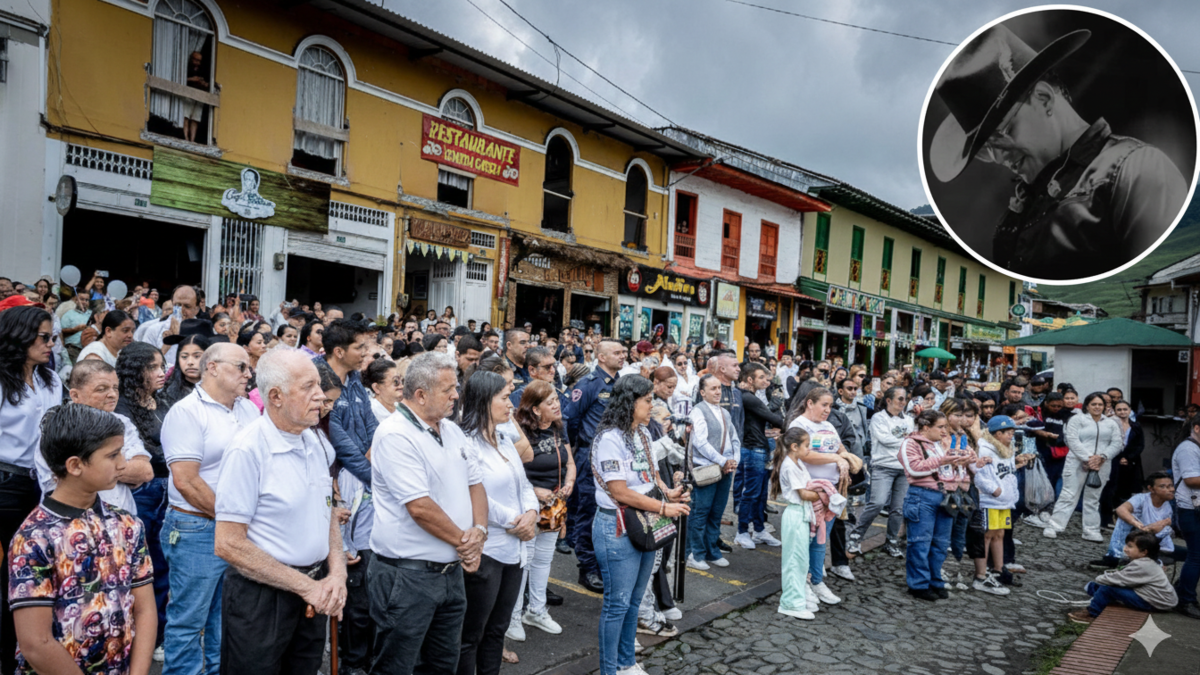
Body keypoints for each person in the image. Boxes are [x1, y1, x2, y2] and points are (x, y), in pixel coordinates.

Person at [929, 24, 1188, 279]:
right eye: (985, 150)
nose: (999, 157)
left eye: (1004, 132)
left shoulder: (1137, 170)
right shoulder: (1019, 209)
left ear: (1044, 98)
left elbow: (1148, 276)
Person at [214, 349, 347, 674]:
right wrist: (306, 587)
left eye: (319, 385)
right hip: (263, 598)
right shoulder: (248, 449)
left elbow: (327, 509)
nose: (320, 396)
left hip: (313, 590)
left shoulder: (315, 441)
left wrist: (338, 572)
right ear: (275, 396)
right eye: (308, 387)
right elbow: (228, 543)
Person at [10, 403, 157, 675]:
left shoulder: (127, 525)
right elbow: (36, 643)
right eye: (112, 455)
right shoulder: (34, 538)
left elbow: (145, 611)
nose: (123, 463)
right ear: (75, 465)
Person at [367, 352, 488, 674]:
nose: (456, 395)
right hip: (407, 575)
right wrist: (467, 543)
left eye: (455, 386)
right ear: (420, 395)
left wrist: (480, 530)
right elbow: (419, 507)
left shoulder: (451, 430)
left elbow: (476, 484)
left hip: (449, 572)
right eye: (447, 389)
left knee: (442, 664)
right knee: (397, 666)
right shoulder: (395, 434)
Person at [159, 342, 258, 675]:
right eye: (241, 366)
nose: (249, 373)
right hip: (196, 528)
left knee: (224, 617)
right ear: (212, 367)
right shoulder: (187, 412)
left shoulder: (247, 410)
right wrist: (233, 518)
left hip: (234, 525)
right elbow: (187, 482)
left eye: (249, 367)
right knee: (189, 619)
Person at [591, 375, 689, 675]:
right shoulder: (610, 438)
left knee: (634, 601)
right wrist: (664, 506)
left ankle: (626, 663)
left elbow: (650, 473)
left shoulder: (643, 433)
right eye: (648, 400)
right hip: (617, 526)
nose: (653, 406)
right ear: (629, 402)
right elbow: (619, 491)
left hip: (645, 522)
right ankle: (609, 669)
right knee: (617, 605)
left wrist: (667, 491)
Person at [456, 371, 538, 675]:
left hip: (514, 549)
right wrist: (515, 520)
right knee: (471, 633)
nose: (511, 405)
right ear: (484, 401)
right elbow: (475, 494)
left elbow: (523, 484)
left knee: (497, 630)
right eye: (504, 398)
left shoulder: (503, 438)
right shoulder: (467, 444)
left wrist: (531, 513)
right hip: (487, 550)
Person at [33, 359, 154, 515]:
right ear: (75, 395)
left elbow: (145, 471)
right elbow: (60, 481)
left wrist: (95, 468)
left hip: (124, 523)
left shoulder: (122, 422)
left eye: (115, 388)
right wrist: (121, 471)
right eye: (101, 389)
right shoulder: (58, 426)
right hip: (72, 524)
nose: (112, 394)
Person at [565, 338, 627, 593]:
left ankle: (604, 563)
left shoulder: (622, 383)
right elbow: (571, 419)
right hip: (591, 456)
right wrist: (578, 448)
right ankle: (588, 567)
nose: (622, 355)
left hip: (615, 456)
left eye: (624, 351)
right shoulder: (589, 384)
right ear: (601, 357)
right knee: (589, 511)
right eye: (616, 352)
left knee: (612, 511)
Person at [786, 386, 852, 606]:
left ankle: (816, 581)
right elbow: (807, 455)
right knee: (806, 539)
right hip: (810, 490)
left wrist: (845, 458)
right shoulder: (799, 425)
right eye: (824, 405)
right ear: (809, 403)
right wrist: (836, 459)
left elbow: (840, 448)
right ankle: (802, 583)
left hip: (830, 491)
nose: (827, 410)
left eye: (830, 406)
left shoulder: (829, 425)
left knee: (820, 540)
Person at [899, 409, 963, 601]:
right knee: (920, 542)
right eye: (940, 427)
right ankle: (919, 584)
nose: (944, 431)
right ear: (926, 427)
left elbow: (946, 469)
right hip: (922, 495)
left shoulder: (938, 444)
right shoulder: (910, 443)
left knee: (940, 543)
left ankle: (935, 580)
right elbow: (913, 469)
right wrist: (943, 460)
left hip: (943, 496)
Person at [1043, 392, 1123, 542]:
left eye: (1100, 404)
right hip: (1077, 462)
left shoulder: (1111, 423)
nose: (1097, 407)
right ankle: (1054, 525)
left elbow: (1117, 443)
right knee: (1068, 494)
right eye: (1094, 404)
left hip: (1102, 464)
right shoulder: (1077, 420)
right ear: (1087, 405)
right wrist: (1088, 458)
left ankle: (1091, 530)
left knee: (1093, 498)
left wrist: (1102, 457)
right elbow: (1071, 440)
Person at [850, 386, 911, 558]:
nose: (903, 402)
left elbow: (912, 441)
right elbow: (884, 439)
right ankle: (855, 536)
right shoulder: (878, 418)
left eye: (905, 398)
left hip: (903, 468)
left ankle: (891, 541)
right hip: (883, 467)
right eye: (899, 398)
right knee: (877, 502)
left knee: (898, 509)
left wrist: (905, 441)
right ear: (889, 400)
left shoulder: (909, 420)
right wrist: (906, 440)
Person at [687, 374, 741, 570]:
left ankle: (712, 551)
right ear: (702, 392)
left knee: (716, 513)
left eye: (719, 388)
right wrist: (723, 460)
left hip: (725, 470)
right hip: (706, 470)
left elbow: (734, 438)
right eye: (712, 388)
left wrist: (735, 460)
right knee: (700, 513)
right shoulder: (698, 411)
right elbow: (700, 443)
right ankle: (695, 553)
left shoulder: (724, 413)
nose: (718, 392)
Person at [1069, 530, 1180, 625]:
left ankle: (1092, 614)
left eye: (1130, 546)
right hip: (1154, 597)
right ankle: (1101, 599)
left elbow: (1118, 579)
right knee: (1100, 587)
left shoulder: (1142, 565)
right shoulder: (1146, 562)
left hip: (1155, 603)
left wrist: (1100, 579)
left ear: (1143, 552)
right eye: (1127, 545)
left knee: (1106, 589)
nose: (1126, 549)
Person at [974, 415, 1033, 592]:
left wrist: (1016, 465)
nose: (1011, 436)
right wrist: (994, 490)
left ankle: (998, 570)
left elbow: (1005, 470)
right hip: (991, 499)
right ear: (997, 433)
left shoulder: (1007, 449)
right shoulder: (985, 449)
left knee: (999, 534)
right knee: (987, 535)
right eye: (1008, 432)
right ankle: (981, 575)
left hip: (1004, 500)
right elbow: (980, 474)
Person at [766, 426, 819, 621]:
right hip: (795, 514)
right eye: (807, 446)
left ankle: (798, 598)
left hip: (801, 514)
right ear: (795, 446)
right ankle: (790, 602)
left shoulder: (797, 463)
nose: (809, 449)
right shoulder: (789, 465)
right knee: (794, 561)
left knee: (801, 560)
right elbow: (804, 493)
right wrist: (824, 493)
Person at [734, 363, 782, 549]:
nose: (766, 380)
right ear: (749, 379)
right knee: (751, 493)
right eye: (762, 377)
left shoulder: (749, 396)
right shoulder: (748, 397)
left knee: (761, 493)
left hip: (757, 446)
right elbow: (774, 418)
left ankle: (759, 529)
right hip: (752, 449)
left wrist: (767, 433)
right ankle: (742, 531)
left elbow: (757, 422)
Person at [1091, 472, 1183, 570]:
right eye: (1163, 487)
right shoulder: (1141, 499)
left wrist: (1153, 527)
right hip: (1140, 539)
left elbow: (1162, 527)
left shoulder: (1169, 506)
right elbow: (1121, 509)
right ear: (1151, 489)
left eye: (1171, 486)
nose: (1171, 490)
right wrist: (1138, 525)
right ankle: (1116, 556)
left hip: (1159, 544)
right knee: (1125, 519)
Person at [1171, 416, 1200, 619]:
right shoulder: (1188, 449)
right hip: (1191, 509)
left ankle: (1182, 590)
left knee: (1196, 555)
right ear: (1197, 428)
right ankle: (1185, 599)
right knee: (1196, 556)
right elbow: (1191, 479)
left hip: (1195, 509)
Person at [1101, 400, 1144, 528]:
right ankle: (1106, 519)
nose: (1122, 412)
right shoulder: (1109, 424)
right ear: (1114, 411)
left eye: (1125, 409)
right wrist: (1118, 457)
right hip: (1113, 460)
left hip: (1131, 462)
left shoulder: (1136, 426)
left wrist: (1128, 458)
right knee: (1110, 490)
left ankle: (1122, 518)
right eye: (1119, 410)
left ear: (1130, 410)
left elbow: (1140, 445)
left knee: (1126, 490)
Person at [157, 333, 208, 411]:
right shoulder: (166, 395)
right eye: (184, 357)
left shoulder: (222, 392)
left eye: (197, 356)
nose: (190, 362)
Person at [365, 357, 402, 424]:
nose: (401, 386)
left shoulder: (402, 406)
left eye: (402, 381)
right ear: (376, 388)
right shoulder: (370, 413)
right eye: (396, 381)